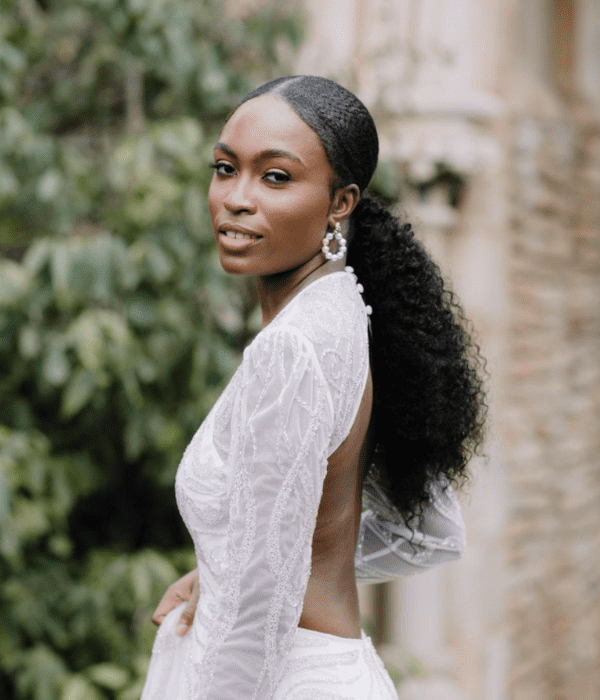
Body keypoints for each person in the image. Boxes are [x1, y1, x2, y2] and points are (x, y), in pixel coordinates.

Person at [140, 75, 486, 700]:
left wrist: (247, 584)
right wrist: (222, 574)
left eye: (276, 177)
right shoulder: (346, 313)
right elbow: (412, 532)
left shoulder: (293, 347)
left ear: (340, 202)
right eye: (225, 168)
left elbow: (255, 619)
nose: (237, 198)